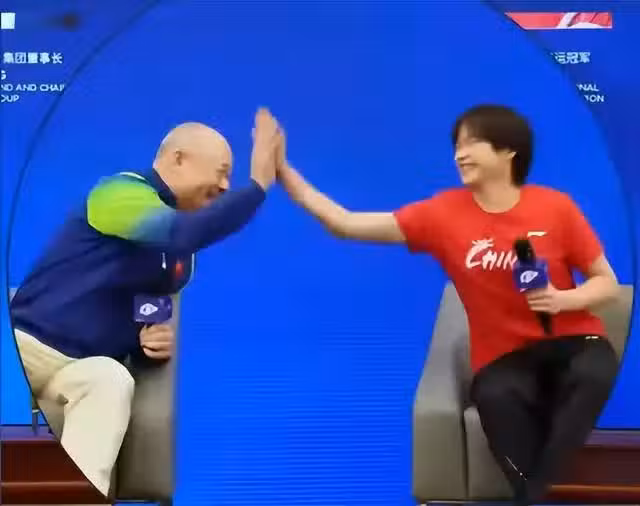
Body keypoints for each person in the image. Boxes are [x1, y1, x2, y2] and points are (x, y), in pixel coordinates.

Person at [274, 104, 620, 505]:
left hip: (572, 341)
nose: (460, 154)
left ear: (509, 151)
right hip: (503, 358)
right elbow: (345, 223)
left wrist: (562, 299)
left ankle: (535, 496)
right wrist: (284, 172)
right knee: (497, 398)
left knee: (594, 372)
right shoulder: (442, 214)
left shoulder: (556, 206)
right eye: (456, 146)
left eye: (472, 143)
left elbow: (607, 284)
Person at [10, 108, 281, 497]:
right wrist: (256, 188)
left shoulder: (181, 262)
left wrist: (148, 344)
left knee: (111, 379)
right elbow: (178, 231)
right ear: (178, 159)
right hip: (24, 349)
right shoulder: (119, 193)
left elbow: (147, 315)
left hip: (78, 368)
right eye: (221, 172)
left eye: (231, 178)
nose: (225, 186)